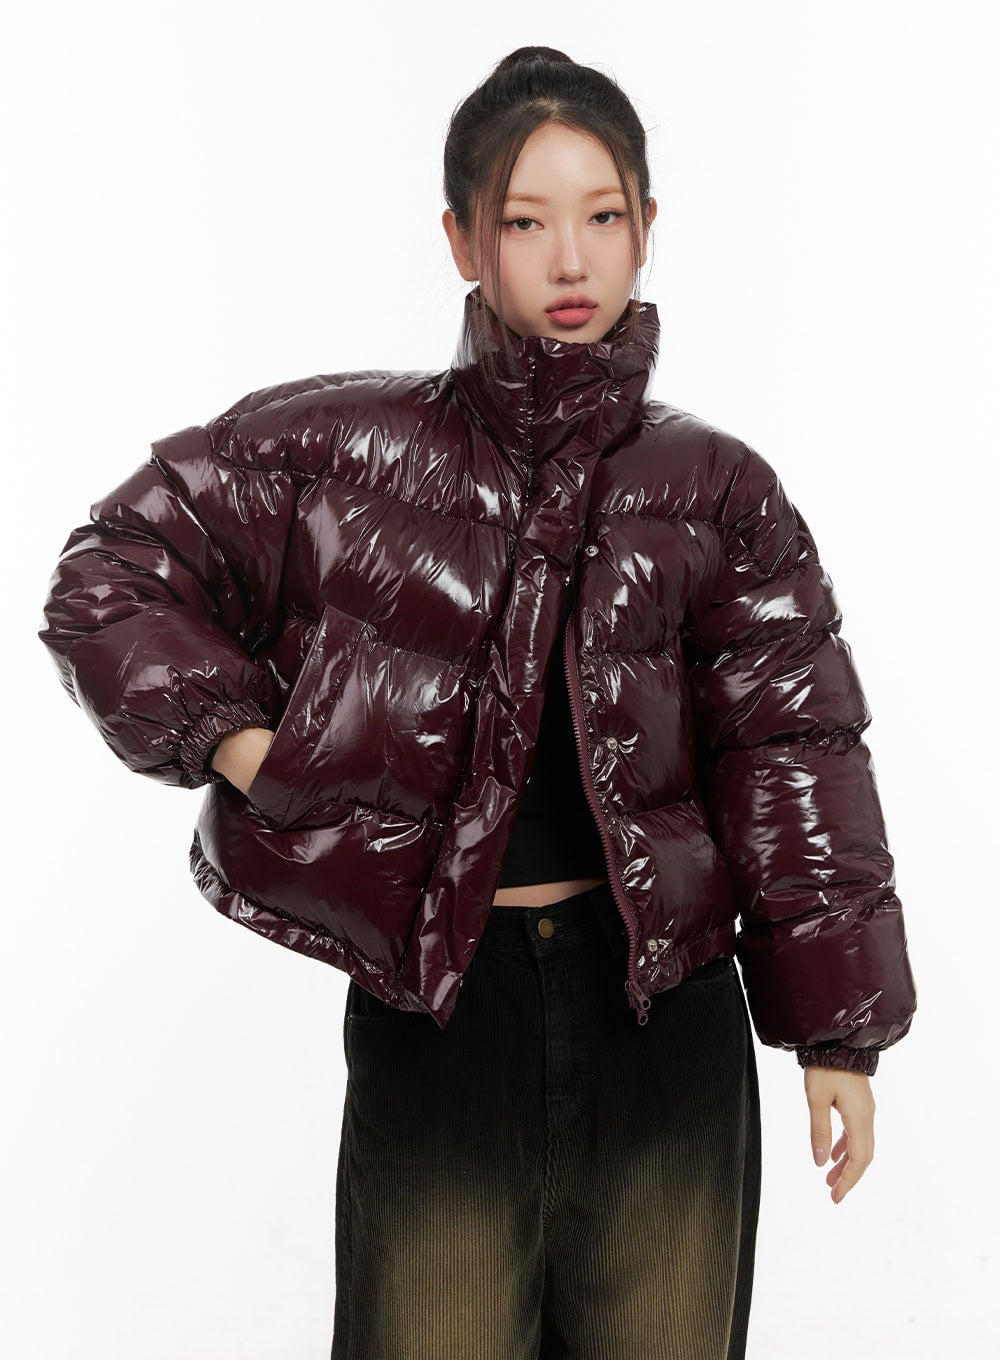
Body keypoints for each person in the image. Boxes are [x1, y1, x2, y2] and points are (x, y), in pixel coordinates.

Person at [38, 45, 917, 1360]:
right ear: (461, 239)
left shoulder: (719, 489)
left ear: (648, 226)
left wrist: (838, 1034)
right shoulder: (351, 449)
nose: (570, 259)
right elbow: (110, 574)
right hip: (442, 1022)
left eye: (602, 216)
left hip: (665, 1023)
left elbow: (792, 750)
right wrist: (248, 745)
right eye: (523, 221)